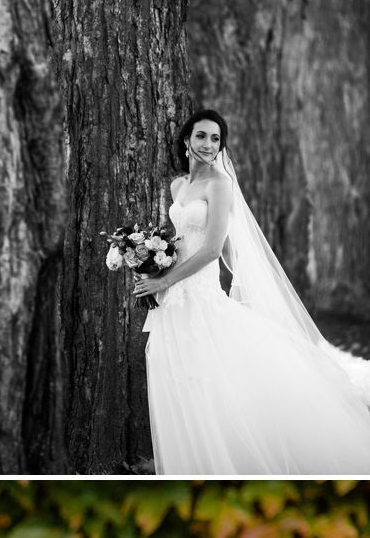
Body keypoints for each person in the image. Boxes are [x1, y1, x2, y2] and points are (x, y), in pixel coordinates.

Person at [142, 107, 370, 477]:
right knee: (181, 382)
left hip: (200, 295)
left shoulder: (220, 185)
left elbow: (214, 249)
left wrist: (164, 281)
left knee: (213, 382)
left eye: (215, 139)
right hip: (172, 302)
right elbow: (181, 240)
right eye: (201, 135)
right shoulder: (178, 186)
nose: (207, 144)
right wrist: (151, 261)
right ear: (186, 140)